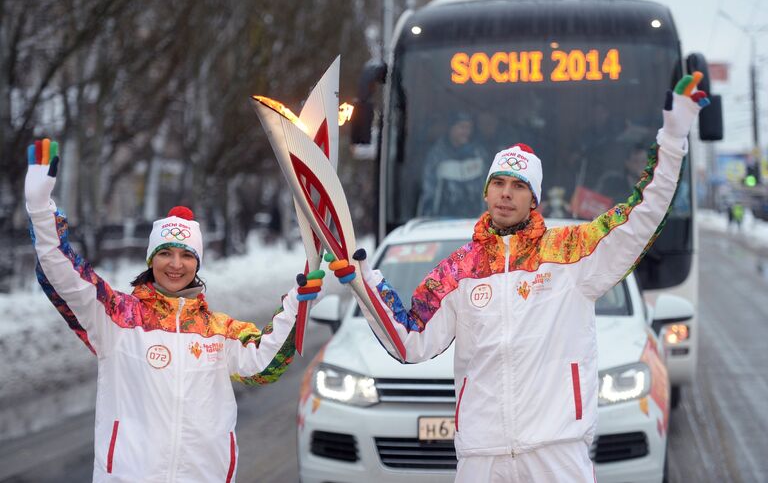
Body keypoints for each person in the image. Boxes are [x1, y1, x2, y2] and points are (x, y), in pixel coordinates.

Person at [332, 74, 709, 482]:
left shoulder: (571, 253)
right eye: (498, 183)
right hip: (482, 455)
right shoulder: (459, 270)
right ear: (486, 192)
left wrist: (673, 138)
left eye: (518, 186)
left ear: (534, 198)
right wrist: (363, 281)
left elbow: (642, 216)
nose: (506, 194)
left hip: (556, 450)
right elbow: (410, 342)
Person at [24, 138, 325, 482]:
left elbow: (264, 364)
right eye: (166, 253)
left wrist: (301, 301)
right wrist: (40, 209)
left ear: (197, 263)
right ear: (152, 259)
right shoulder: (118, 317)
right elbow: (64, 276)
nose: (176, 265)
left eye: (186, 255)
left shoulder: (217, 330)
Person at [418, 112, 489, 218]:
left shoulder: (478, 154)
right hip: (443, 219)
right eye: (462, 127)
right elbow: (429, 190)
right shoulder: (437, 154)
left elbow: (488, 187)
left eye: (469, 128)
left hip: (474, 218)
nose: (466, 132)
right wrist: (427, 216)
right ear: (451, 129)